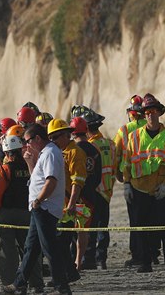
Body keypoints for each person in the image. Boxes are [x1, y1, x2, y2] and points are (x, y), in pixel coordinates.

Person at [5, 124, 71, 295]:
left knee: (49, 248)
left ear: (38, 139)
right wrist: (30, 162)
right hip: (39, 208)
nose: (27, 145)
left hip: (45, 208)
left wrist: (39, 200)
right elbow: (38, 178)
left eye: (28, 141)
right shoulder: (44, 154)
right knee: (31, 248)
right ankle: (19, 282)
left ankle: (61, 286)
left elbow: (51, 181)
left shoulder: (50, 153)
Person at [123, 93, 165, 273]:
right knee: (142, 228)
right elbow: (127, 162)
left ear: (159, 113)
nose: (150, 115)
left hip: (160, 189)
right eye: (147, 112)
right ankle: (145, 262)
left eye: (153, 111)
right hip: (139, 188)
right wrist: (126, 184)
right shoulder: (133, 137)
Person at [0, 135, 44, 291]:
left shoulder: (4, 170)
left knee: (6, 254)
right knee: (30, 251)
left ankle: (11, 285)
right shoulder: (31, 167)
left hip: (6, 215)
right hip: (27, 214)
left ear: (6, 152)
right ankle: (36, 284)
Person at [47, 118, 85, 283]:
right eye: (51, 138)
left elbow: (78, 182)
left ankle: (64, 276)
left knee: (61, 242)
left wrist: (71, 205)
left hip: (67, 206)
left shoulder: (75, 153)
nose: (53, 141)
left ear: (66, 135)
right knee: (59, 242)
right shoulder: (57, 153)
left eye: (56, 137)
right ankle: (70, 273)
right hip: (56, 205)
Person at [114, 94, 148, 267]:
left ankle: (138, 254)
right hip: (152, 179)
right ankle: (152, 253)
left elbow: (116, 153)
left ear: (130, 113)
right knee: (152, 219)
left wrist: (119, 175)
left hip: (132, 179)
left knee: (135, 220)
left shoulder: (124, 130)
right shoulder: (150, 127)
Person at [81, 109, 116, 270]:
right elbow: (114, 169)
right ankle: (102, 259)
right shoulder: (110, 144)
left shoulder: (89, 147)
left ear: (86, 129)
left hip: (94, 191)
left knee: (91, 227)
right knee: (103, 227)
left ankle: (90, 259)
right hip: (107, 191)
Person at [69, 116, 102, 270]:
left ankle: (71, 261)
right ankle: (79, 260)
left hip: (72, 196)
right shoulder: (94, 150)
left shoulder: (72, 151)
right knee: (84, 230)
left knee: (69, 231)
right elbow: (98, 175)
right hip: (89, 195)